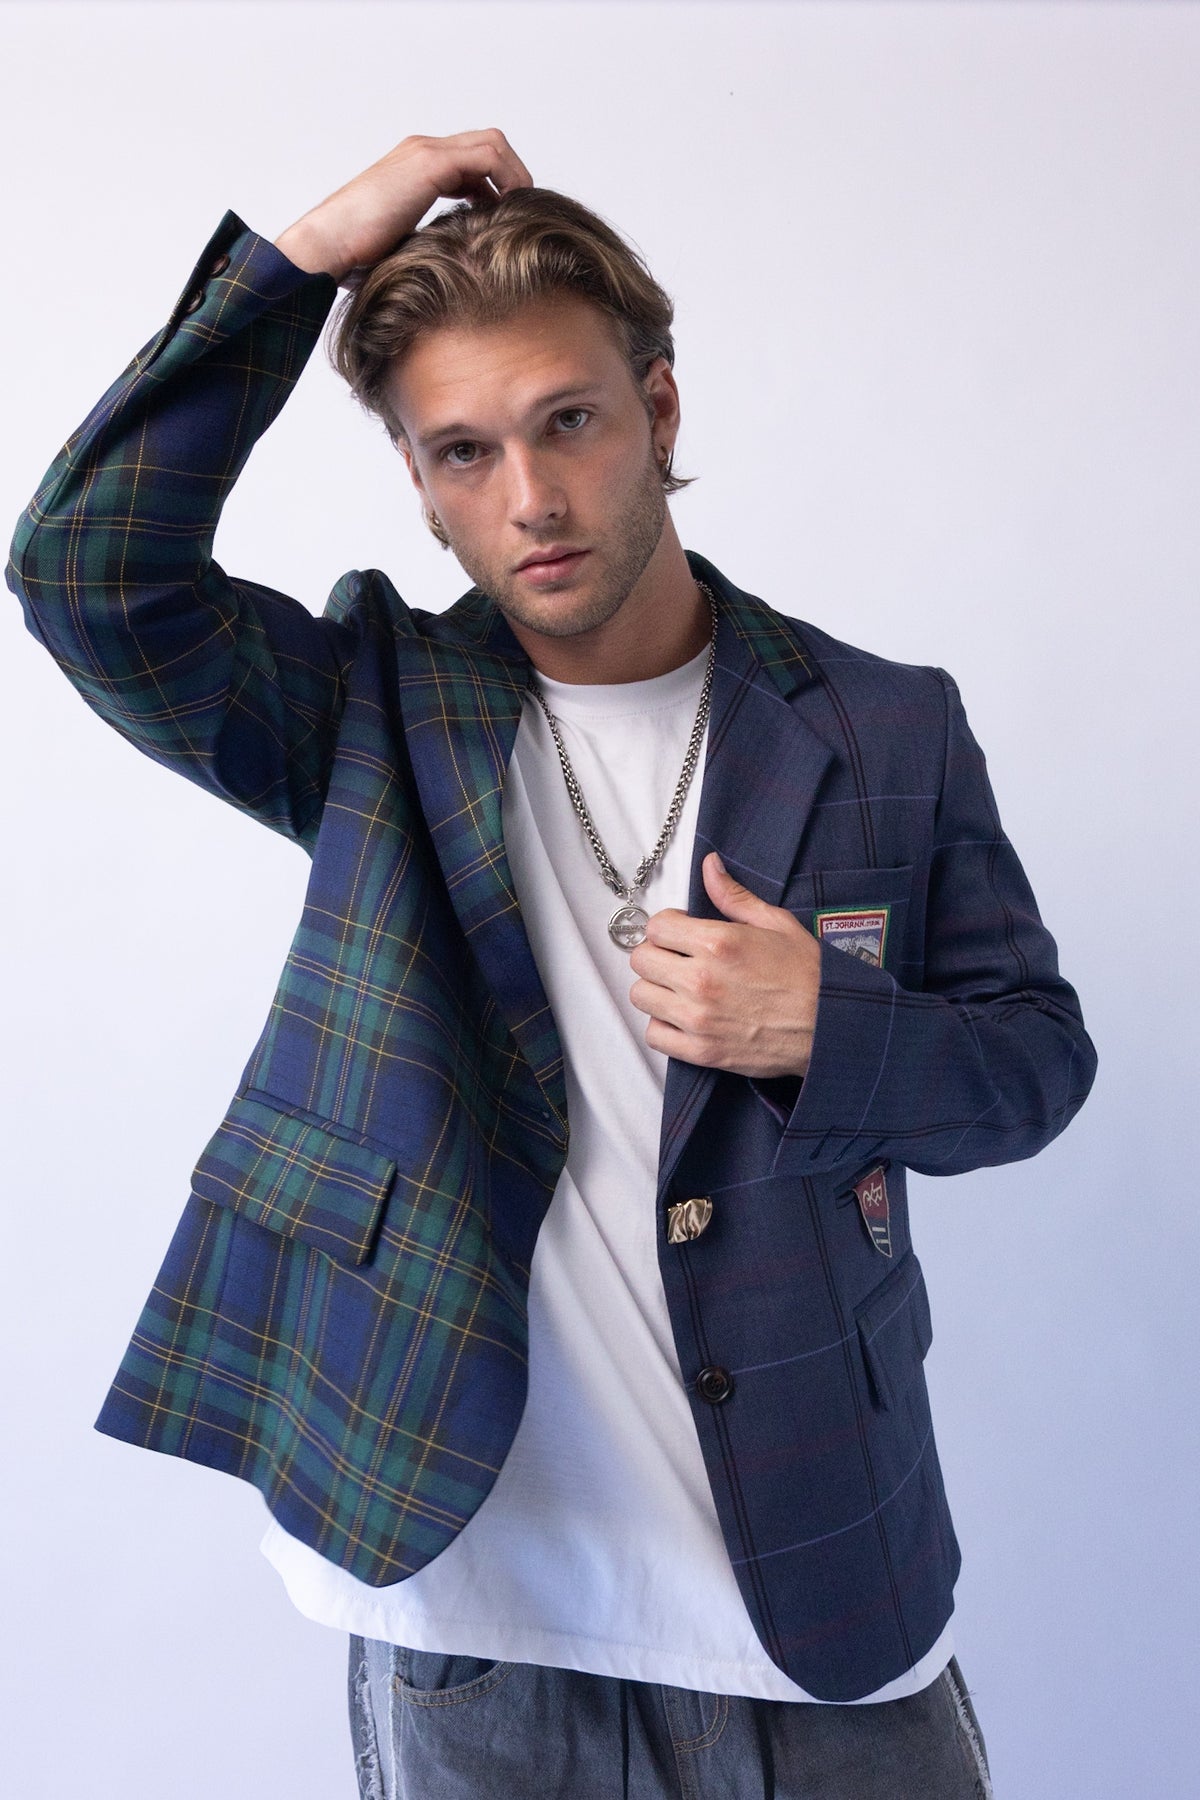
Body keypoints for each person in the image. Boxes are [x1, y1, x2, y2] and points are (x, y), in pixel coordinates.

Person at [7, 129, 1096, 1798]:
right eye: (464, 450)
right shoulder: (369, 710)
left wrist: (830, 1028)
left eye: (568, 421)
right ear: (421, 482)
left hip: (820, 1579)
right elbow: (84, 571)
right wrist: (307, 255)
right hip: (472, 1611)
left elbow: (1036, 1064)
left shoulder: (885, 726)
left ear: (660, 410)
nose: (529, 497)